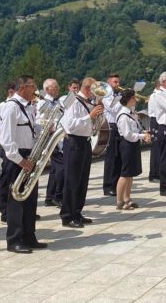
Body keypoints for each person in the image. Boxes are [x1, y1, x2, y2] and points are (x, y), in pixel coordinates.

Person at [0, 75, 46, 253]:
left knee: (30, 199)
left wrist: (45, 129)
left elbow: (31, 129)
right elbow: (6, 139)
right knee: (16, 200)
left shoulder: (29, 107)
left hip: (29, 155)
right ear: (23, 88)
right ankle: (14, 239)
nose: (35, 90)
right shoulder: (11, 108)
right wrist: (21, 161)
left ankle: (29, 235)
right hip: (17, 158)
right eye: (33, 86)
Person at [59, 77, 102, 228]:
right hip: (74, 142)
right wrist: (90, 116)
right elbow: (70, 126)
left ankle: (77, 212)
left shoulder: (88, 103)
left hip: (85, 142)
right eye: (95, 90)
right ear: (87, 89)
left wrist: (97, 114)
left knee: (82, 180)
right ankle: (67, 215)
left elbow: (93, 125)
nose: (96, 94)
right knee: (72, 180)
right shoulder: (73, 101)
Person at [115, 90, 151, 210]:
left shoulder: (131, 113)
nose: (136, 100)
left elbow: (135, 131)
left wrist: (143, 133)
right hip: (127, 145)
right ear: (129, 100)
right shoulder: (123, 116)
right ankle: (119, 201)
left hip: (133, 144)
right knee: (125, 173)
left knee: (130, 174)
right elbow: (127, 135)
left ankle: (127, 198)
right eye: (134, 98)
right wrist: (142, 136)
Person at [40, 79, 63, 208]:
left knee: (55, 168)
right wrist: (50, 126)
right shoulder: (42, 103)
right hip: (50, 137)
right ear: (47, 89)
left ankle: (50, 196)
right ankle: (58, 196)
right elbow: (39, 121)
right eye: (55, 87)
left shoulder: (58, 102)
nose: (58, 88)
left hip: (58, 137)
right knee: (61, 167)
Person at [0, 82, 16, 222]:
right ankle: (5, 210)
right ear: (11, 92)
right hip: (9, 146)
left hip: (22, 147)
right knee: (7, 178)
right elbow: (2, 128)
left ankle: (19, 210)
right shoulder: (3, 106)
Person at [102, 73, 123, 196]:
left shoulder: (118, 95)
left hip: (119, 126)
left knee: (119, 158)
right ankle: (108, 185)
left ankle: (116, 184)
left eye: (118, 81)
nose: (118, 84)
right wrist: (123, 100)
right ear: (109, 83)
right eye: (115, 82)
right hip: (110, 127)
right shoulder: (106, 95)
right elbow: (113, 108)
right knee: (111, 158)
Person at [147, 82, 162, 183]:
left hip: (160, 120)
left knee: (160, 148)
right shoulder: (155, 96)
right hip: (156, 120)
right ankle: (153, 174)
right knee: (156, 148)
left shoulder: (159, 95)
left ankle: (160, 172)